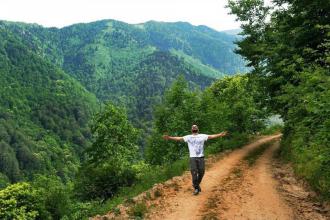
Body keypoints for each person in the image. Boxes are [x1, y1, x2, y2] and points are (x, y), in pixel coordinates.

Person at [163, 125, 228, 195]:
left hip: (201, 157)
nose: (194, 127)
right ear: (191, 130)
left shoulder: (202, 136)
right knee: (194, 172)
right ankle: (196, 188)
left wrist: (220, 134)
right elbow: (179, 138)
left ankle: (196, 184)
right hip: (193, 158)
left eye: (195, 127)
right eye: (193, 127)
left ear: (198, 129)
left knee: (201, 172)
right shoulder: (188, 137)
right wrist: (169, 137)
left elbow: (211, 136)